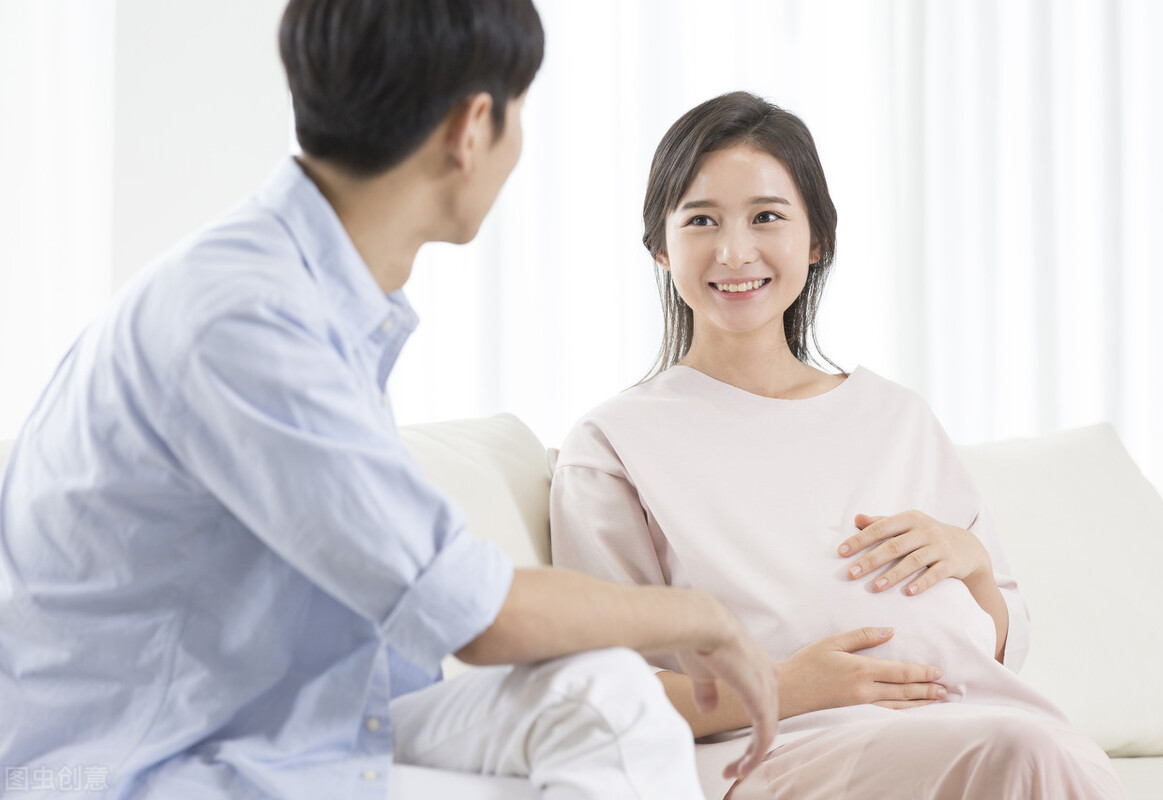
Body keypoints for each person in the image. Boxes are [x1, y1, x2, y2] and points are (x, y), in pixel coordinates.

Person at [0, 4, 781, 798]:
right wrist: (702, 616)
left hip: (298, 719)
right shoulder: (247, 318)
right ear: (473, 127)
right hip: (155, 756)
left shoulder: (308, 287)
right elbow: (477, 614)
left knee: (610, 700)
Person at [550, 91, 1127, 800]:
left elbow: (1007, 644)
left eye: (767, 216)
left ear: (816, 240)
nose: (735, 251)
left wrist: (974, 565)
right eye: (702, 220)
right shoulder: (613, 445)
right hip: (781, 751)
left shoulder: (897, 416)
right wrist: (783, 687)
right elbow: (593, 696)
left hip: (983, 724)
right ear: (661, 249)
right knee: (1024, 751)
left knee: (1030, 745)